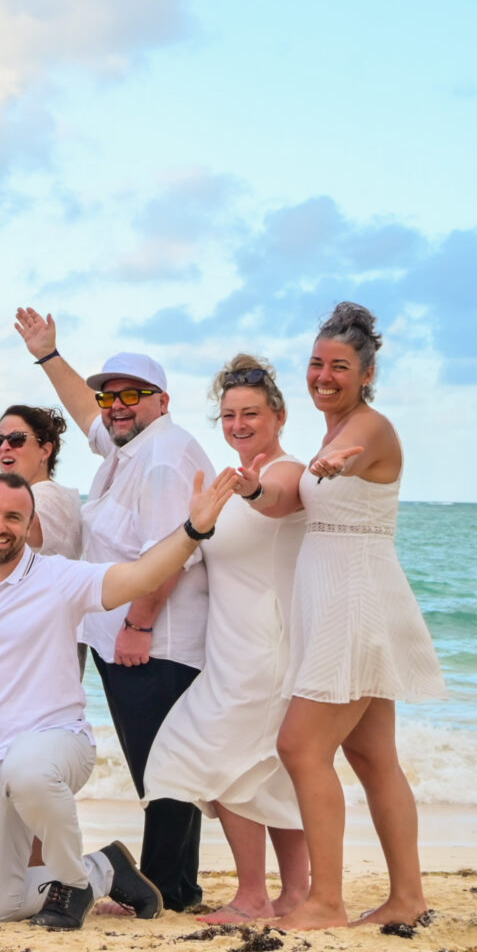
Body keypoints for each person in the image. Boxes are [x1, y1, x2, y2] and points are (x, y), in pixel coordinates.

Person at [0, 470, 240, 928]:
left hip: (57, 742)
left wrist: (193, 530)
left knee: (28, 770)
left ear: (30, 525)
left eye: (13, 517)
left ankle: (71, 886)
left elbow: (140, 576)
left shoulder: (58, 577)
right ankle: (101, 869)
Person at [13, 311, 214, 913]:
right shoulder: (131, 443)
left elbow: (173, 551)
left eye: (132, 395)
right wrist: (49, 356)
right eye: (110, 395)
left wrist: (138, 625)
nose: (116, 406)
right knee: (163, 765)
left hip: (157, 640)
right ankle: (175, 886)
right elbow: (86, 413)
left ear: (162, 401)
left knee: (163, 768)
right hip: (124, 636)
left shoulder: (163, 459)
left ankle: (168, 889)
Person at [267, 303, 447, 931]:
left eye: (339, 366)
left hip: (355, 602)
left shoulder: (369, 428)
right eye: (316, 363)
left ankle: (326, 901)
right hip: (342, 600)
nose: (324, 376)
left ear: (367, 374)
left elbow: (352, 454)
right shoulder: (333, 429)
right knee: (372, 758)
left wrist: (333, 462)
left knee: (300, 746)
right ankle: (408, 900)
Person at [146, 356, 309, 922]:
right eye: (230, 415)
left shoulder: (289, 472)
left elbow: (276, 497)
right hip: (230, 648)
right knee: (265, 770)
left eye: (251, 413)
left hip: (265, 646)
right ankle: (295, 892)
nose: (239, 424)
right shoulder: (223, 482)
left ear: (279, 416)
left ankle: (252, 896)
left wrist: (254, 489)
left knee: (221, 761)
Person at [0, 404, 81, 559]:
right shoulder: (47, 494)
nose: (4, 447)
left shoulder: (49, 495)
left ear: (45, 450)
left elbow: (21, 526)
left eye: (16, 439)